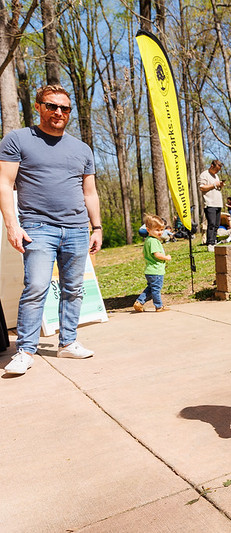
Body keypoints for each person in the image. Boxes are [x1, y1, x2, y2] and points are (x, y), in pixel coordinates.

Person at [0, 84, 101, 375]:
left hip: (78, 229)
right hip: (37, 227)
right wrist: (12, 226)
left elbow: (90, 192)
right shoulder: (17, 139)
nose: (58, 112)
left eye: (64, 108)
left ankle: (68, 343)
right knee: (36, 288)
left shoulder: (82, 149)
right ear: (39, 106)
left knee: (74, 289)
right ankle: (25, 351)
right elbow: (5, 185)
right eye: (52, 106)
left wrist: (96, 227)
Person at [133, 214, 172, 312]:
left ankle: (139, 302)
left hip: (150, 270)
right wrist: (166, 257)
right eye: (157, 230)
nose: (160, 232)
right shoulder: (154, 241)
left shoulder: (148, 240)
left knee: (150, 288)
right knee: (156, 290)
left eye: (161, 230)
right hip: (156, 271)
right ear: (148, 230)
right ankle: (159, 306)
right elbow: (157, 255)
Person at [199, 159, 224, 252]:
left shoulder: (216, 176)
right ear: (212, 166)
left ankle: (214, 241)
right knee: (211, 224)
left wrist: (220, 185)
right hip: (209, 203)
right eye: (216, 169)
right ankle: (210, 243)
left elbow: (215, 186)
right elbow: (202, 187)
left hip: (218, 203)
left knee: (217, 224)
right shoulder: (204, 174)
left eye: (218, 170)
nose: (217, 172)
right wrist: (214, 184)